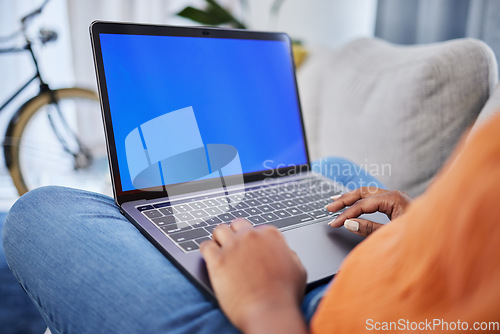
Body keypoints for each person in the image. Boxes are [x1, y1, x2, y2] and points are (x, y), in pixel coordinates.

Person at [3, 113, 500, 333]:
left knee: (40, 209)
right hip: (394, 268)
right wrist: (423, 231)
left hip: (295, 321)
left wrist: (265, 304)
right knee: (335, 170)